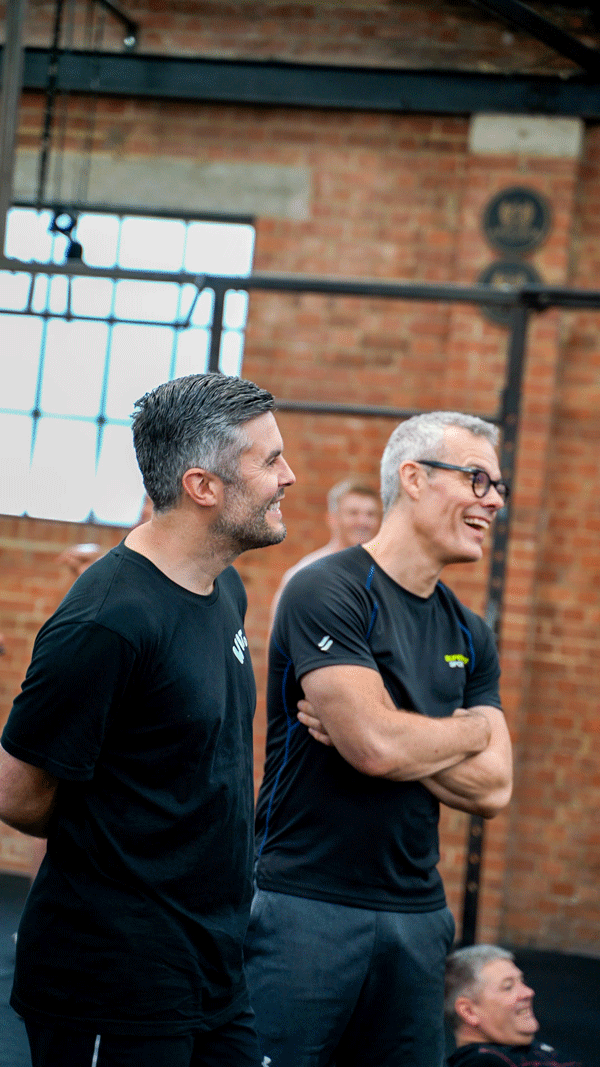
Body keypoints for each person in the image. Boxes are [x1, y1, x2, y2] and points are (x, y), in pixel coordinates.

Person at [0, 372, 295, 1067]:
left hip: (215, 965)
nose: (289, 476)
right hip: (116, 977)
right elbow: (18, 791)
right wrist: (119, 842)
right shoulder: (109, 621)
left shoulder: (227, 586)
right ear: (203, 486)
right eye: (270, 460)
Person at [245, 410, 513, 1067]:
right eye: (477, 479)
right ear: (414, 478)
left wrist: (391, 728)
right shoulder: (326, 589)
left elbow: (495, 786)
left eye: (499, 486)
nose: (494, 500)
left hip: (419, 914)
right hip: (304, 904)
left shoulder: (469, 631)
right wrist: (459, 731)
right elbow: (375, 747)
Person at [445, 944, 583, 1067]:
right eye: (508, 987)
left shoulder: (516, 1050)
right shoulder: (481, 1062)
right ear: (469, 1011)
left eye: (522, 981)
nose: (529, 992)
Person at [268, 478, 380, 628]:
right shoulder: (305, 574)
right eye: (353, 513)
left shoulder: (384, 573)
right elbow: (277, 639)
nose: (363, 521)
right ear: (332, 519)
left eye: (370, 514)